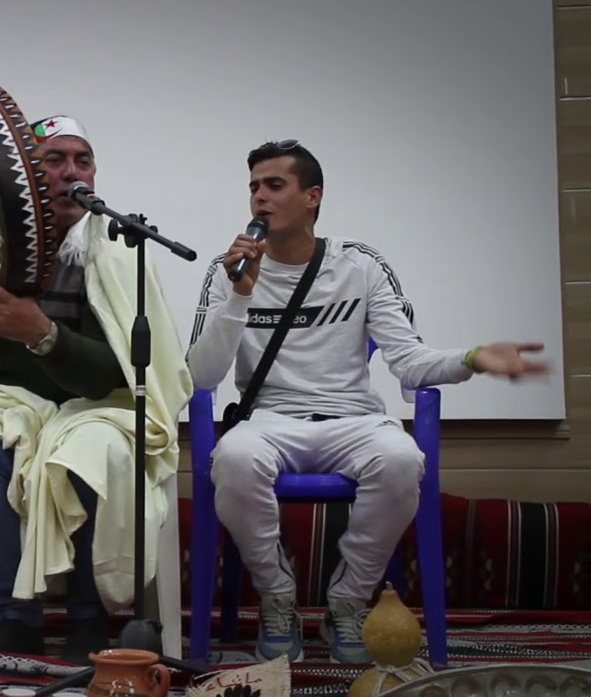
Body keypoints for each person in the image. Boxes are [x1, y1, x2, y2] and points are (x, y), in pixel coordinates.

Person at [187, 139, 550, 663]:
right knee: (236, 460)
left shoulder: (360, 267)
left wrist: (473, 358)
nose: (259, 199)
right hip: (269, 419)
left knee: (402, 460)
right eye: (253, 188)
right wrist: (241, 294)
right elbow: (201, 375)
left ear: (312, 196)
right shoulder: (228, 273)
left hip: (352, 418)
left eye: (274, 185)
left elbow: (410, 361)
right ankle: (278, 596)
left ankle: (347, 602)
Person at [0, 116, 192, 661]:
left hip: (97, 407)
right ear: (27, 175)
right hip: (12, 403)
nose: (70, 172)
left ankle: (89, 618)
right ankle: (13, 617)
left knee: (90, 451)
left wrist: (43, 336)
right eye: (54, 160)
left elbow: (121, 373)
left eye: (83, 161)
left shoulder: (120, 249)